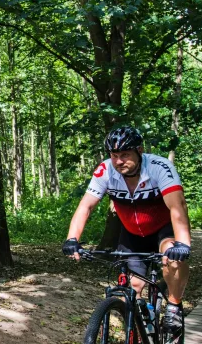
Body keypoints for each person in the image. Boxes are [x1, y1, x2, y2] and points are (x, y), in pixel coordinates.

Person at [62, 126, 191, 332]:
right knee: (133, 288)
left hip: (162, 229)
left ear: (139, 151)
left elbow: (178, 206)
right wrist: (72, 239)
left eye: (125, 154)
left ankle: (174, 306)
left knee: (173, 259)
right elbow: (86, 206)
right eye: (114, 155)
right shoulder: (106, 170)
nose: (119, 161)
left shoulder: (159, 167)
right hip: (132, 233)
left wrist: (183, 243)